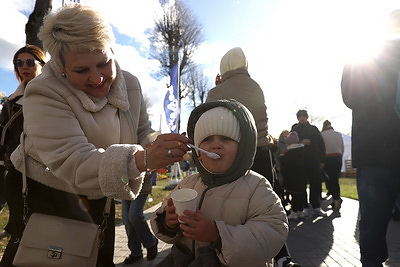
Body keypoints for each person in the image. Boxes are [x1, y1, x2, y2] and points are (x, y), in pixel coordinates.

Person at [9, 4, 190, 267]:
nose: (97, 79)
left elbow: (142, 133)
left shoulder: (130, 85)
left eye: (104, 63)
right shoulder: (42, 92)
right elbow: (72, 161)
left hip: (99, 193)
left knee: (96, 256)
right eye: (81, 70)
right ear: (60, 67)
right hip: (48, 195)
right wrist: (142, 160)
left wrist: (160, 145)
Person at [151, 99, 288, 267]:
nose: (216, 145)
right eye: (207, 140)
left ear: (242, 149)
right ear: (199, 154)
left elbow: (272, 234)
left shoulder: (257, 187)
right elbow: (163, 221)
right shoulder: (187, 184)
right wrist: (168, 222)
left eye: (225, 139)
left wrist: (218, 234)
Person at [206, 47, 298, 267]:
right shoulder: (255, 86)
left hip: (232, 156)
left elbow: (212, 123)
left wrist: (219, 88)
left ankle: (232, 249)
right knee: (267, 204)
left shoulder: (215, 92)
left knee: (236, 205)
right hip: (261, 151)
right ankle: (282, 255)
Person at [341, 9, 400, 266]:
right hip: (376, 151)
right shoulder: (365, 56)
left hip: (375, 151)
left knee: (372, 225)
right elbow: (350, 96)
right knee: (373, 226)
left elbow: (350, 97)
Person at [0, 44, 46, 266]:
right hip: (15, 171)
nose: (24, 67)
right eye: (19, 63)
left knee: (37, 227)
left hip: (44, 172)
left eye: (30, 62)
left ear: (42, 65)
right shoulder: (10, 102)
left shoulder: (53, 95)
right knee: (20, 227)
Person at [291, 110, 326, 217]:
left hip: (314, 161)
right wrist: (301, 142)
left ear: (307, 117)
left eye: (303, 116)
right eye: (300, 116)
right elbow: (290, 143)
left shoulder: (314, 129)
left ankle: (316, 206)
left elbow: (321, 145)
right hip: (300, 162)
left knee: (315, 184)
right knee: (301, 185)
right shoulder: (294, 129)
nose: (302, 118)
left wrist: (322, 160)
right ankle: (304, 206)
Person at [121, 170, 158, 265]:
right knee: (127, 220)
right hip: (126, 187)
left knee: (134, 216)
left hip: (141, 185)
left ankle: (151, 242)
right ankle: (136, 252)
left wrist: (143, 177)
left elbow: (153, 164)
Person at [279, 131, 306, 220]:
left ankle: (294, 212)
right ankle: (301, 211)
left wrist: (282, 156)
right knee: (300, 194)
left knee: (294, 195)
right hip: (301, 176)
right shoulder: (302, 150)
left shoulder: (290, 152)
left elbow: (286, 163)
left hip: (292, 177)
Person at [320, 120, 344, 213]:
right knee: (335, 179)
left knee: (329, 179)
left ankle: (336, 198)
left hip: (327, 158)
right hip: (337, 157)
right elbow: (342, 147)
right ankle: (336, 198)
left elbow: (321, 148)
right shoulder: (338, 134)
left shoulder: (322, 135)